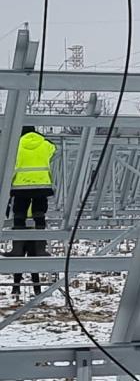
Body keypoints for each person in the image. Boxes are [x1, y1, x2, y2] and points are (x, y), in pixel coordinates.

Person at [4, 126, 56, 295]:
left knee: (19, 214)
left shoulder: (16, 144)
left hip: (20, 186)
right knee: (39, 213)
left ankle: (16, 286)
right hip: (42, 186)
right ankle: (41, 246)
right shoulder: (44, 144)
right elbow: (53, 148)